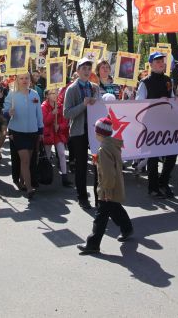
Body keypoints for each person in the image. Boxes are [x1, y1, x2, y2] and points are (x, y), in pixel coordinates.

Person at [77, 117, 133, 254]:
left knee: (101, 216)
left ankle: (93, 244)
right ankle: (127, 228)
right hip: (114, 185)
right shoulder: (112, 145)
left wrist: (106, 190)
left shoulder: (104, 149)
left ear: (99, 133)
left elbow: (108, 173)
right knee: (115, 208)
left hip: (108, 188)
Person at [136, 52, 177, 198]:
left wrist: (173, 100)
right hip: (151, 124)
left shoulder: (168, 80)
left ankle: (163, 182)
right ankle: (153, 187)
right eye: (157, 60)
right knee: (153, 157)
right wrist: (158, 101)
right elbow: (139, 104)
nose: (161, 63)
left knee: (172, 154)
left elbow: (172, 98)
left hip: (167, 123)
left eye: (162, 60)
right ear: (151, 64)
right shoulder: (144, 82)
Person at [63, 57, 100, 209]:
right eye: (83, 68)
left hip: (95, 130)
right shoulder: (71, 89)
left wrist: (95, 103)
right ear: (77, 71)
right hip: (79, 132)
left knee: (98, 164)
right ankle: (82, 196)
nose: (86, 71)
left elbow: (100, 107)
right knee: (81, 165)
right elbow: (66, 113)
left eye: (88, 68)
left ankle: (100, 196)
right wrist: (83, 105)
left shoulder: (95, 87)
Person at [3, 72, 43, 199]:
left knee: (27, 160)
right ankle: (29, 188)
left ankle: (21, 181)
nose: (24, 80)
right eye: (21, 78)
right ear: (17, 80)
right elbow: (5, 111)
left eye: (26, 78)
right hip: (17, 131)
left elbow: (39, 114)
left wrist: (40, 130)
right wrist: (9, 112)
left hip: (32, 131)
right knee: (25, 160)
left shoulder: (35, 94)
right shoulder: (12, 94)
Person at [42, 89, 72, 187]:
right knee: (47, 155)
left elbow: (65, 121)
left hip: (58, 134)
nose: (55, 95)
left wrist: (59, 126)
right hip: (48, 134)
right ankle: (47, 174)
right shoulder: (43, 106)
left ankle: (64, 176)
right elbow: (45, 122)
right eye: (52, 93)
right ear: (47, 95)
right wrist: (52, 114)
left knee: (62, 153)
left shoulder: (60, 106)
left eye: (56, 93)